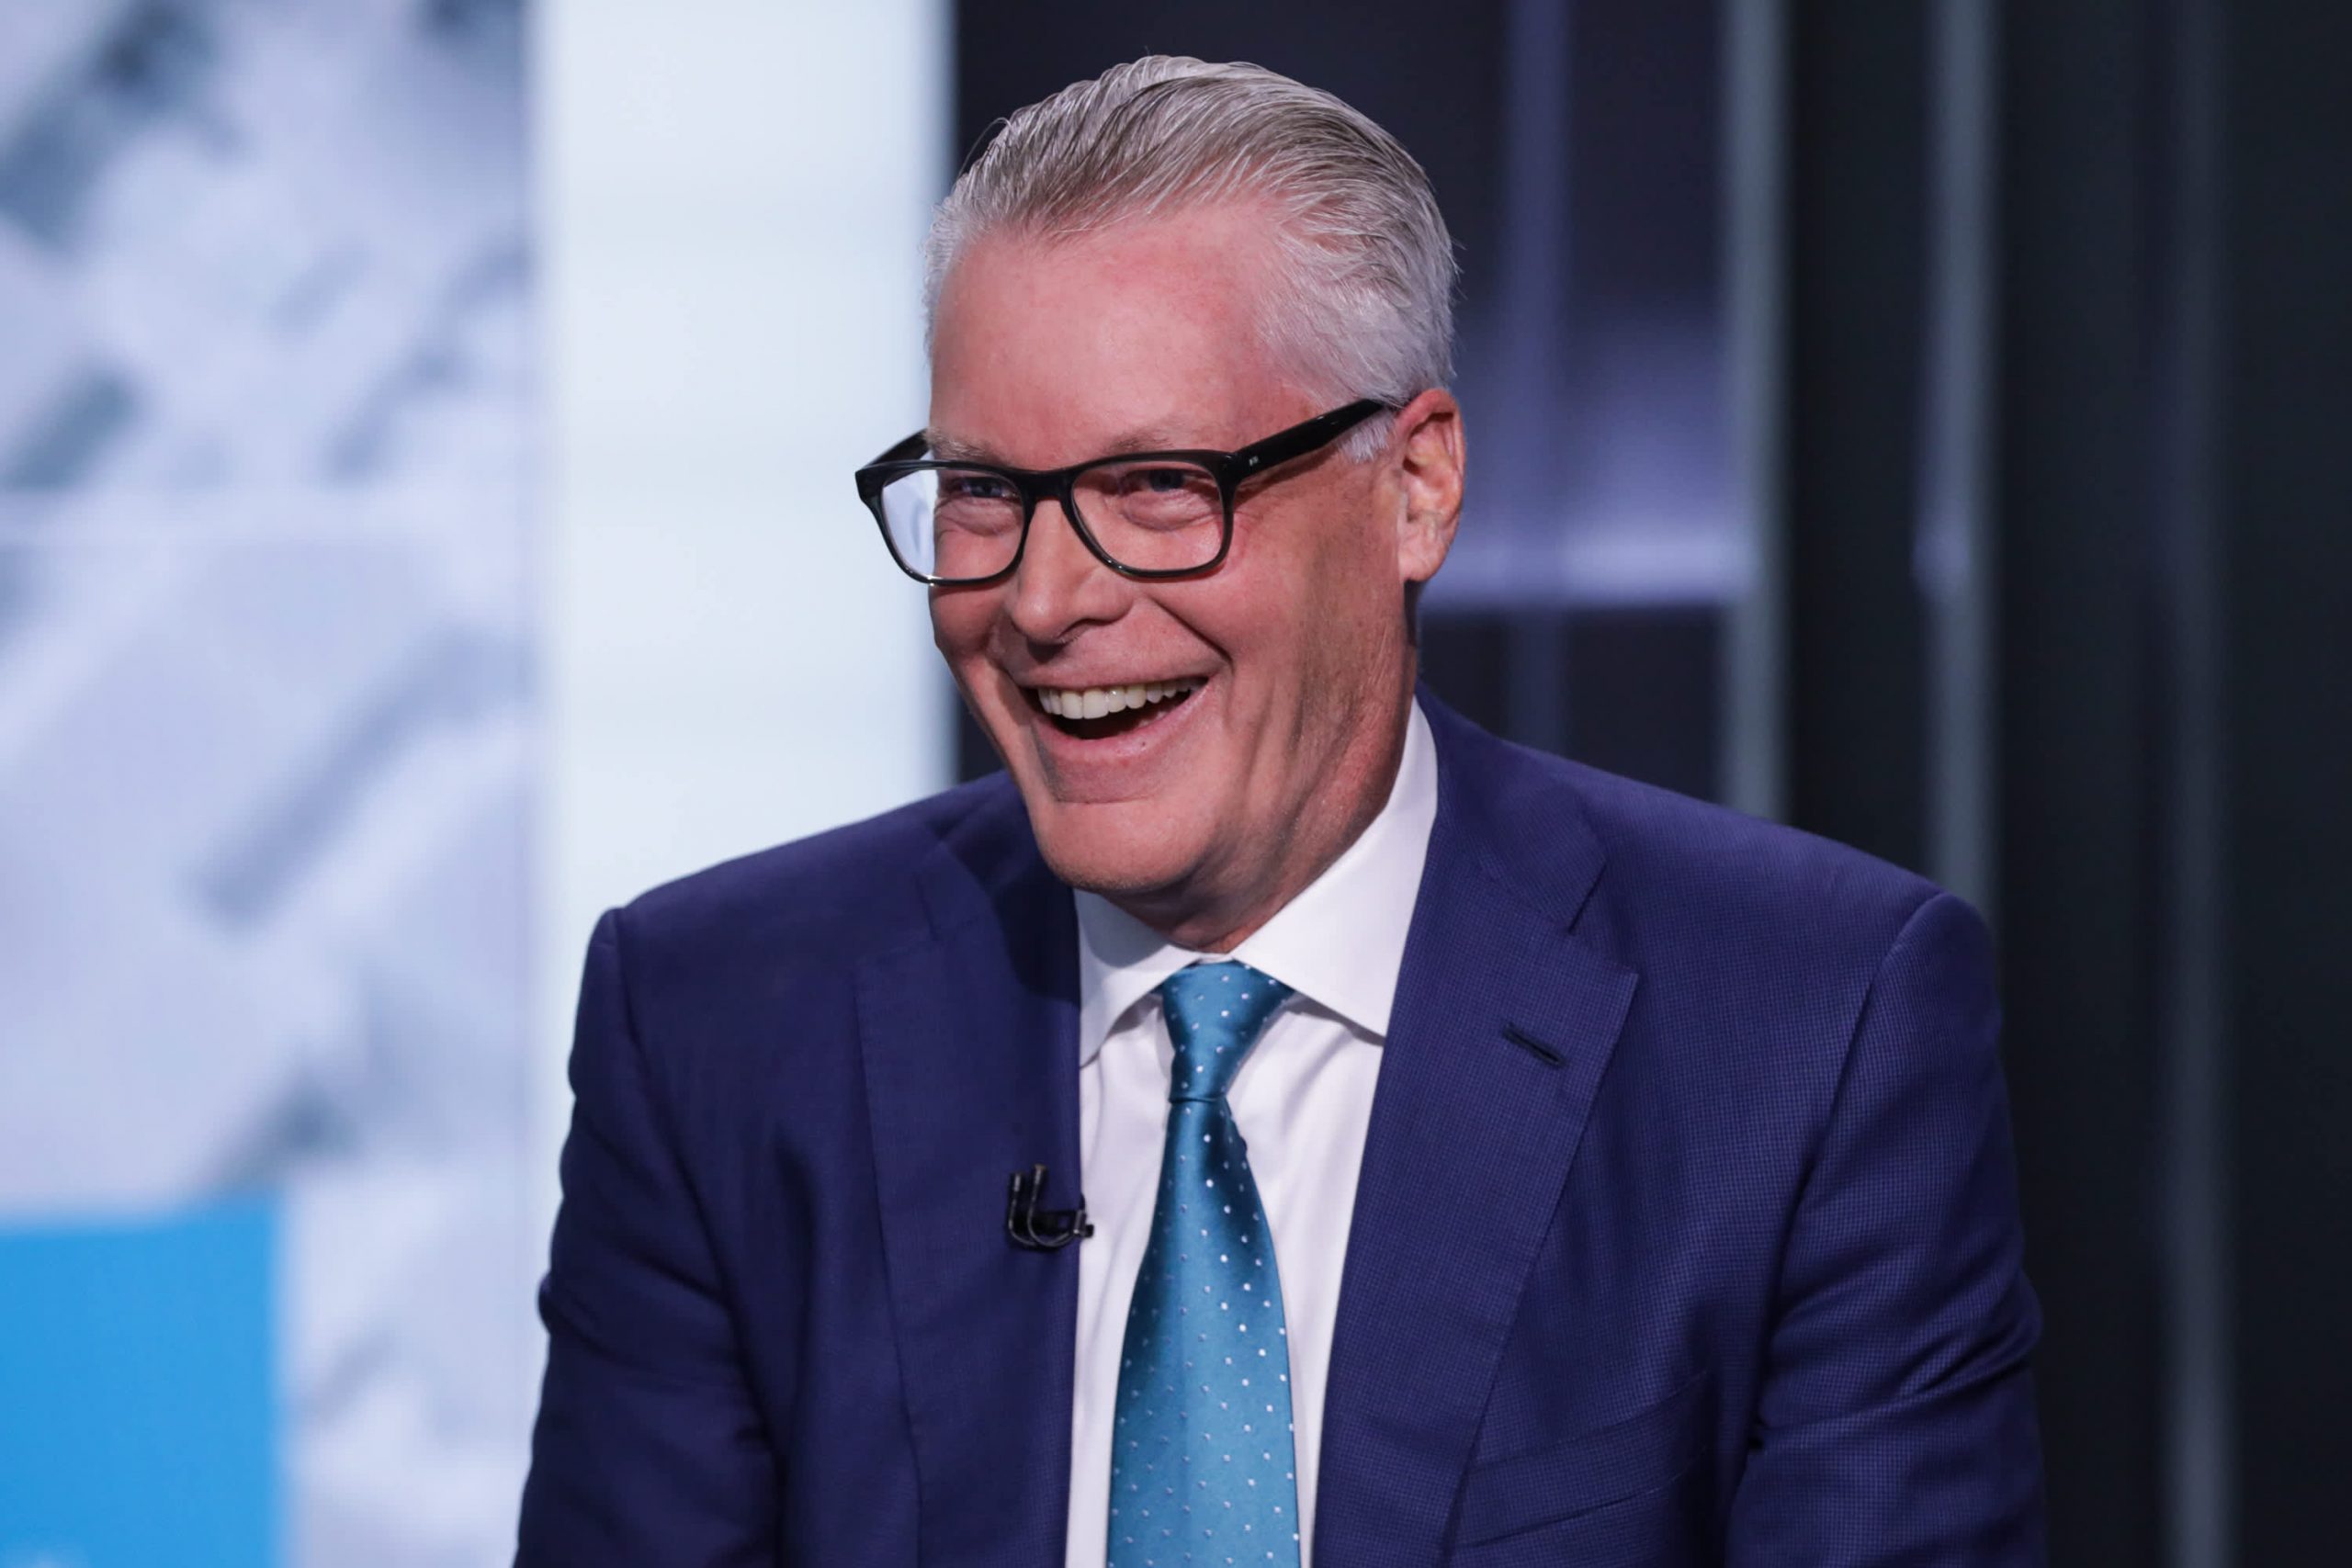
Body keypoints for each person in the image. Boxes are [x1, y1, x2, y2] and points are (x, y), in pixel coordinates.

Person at [516, 55, 2043, 1567]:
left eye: (1158, 485)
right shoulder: (721, 1026)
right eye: (983, 492)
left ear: (1415, 486)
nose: (1043, 601)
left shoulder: (1808, 1033)